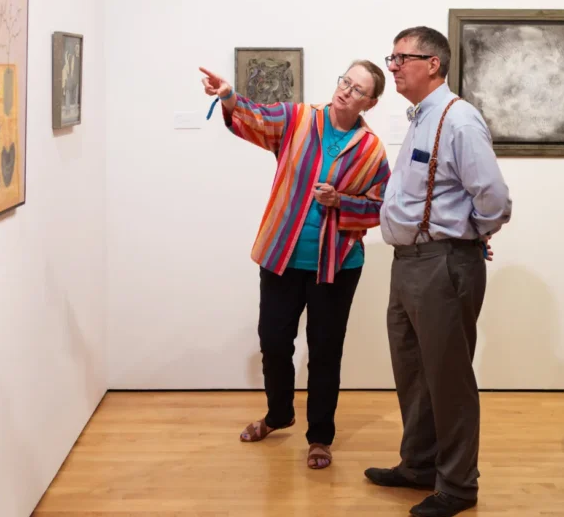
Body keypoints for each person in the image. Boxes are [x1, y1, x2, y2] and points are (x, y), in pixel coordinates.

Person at [199, 60, 391, 470]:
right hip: (281, 256)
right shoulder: (299, 118)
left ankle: (320, 436)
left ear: (370, 103)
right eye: (345, 81)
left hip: (337, 266)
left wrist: (341, 201)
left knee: (325, 352)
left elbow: (381, 206)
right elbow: (257, 118)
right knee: (273, 341)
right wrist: (229, 96)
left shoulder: (371, 149)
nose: (346, 91)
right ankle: (279, 414)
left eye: (358, 89)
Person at [364, 26, 511, 517]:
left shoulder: (458, 119)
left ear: (433, 63)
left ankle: (458, 485)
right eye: (391, 58)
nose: (392, 67)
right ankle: (420, 464)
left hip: (442, 264)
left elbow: (494, 197)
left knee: (448, 379)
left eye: (401, 58)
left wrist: (470, 234)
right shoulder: (423, 117)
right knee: (413, 371)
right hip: (409, 264)